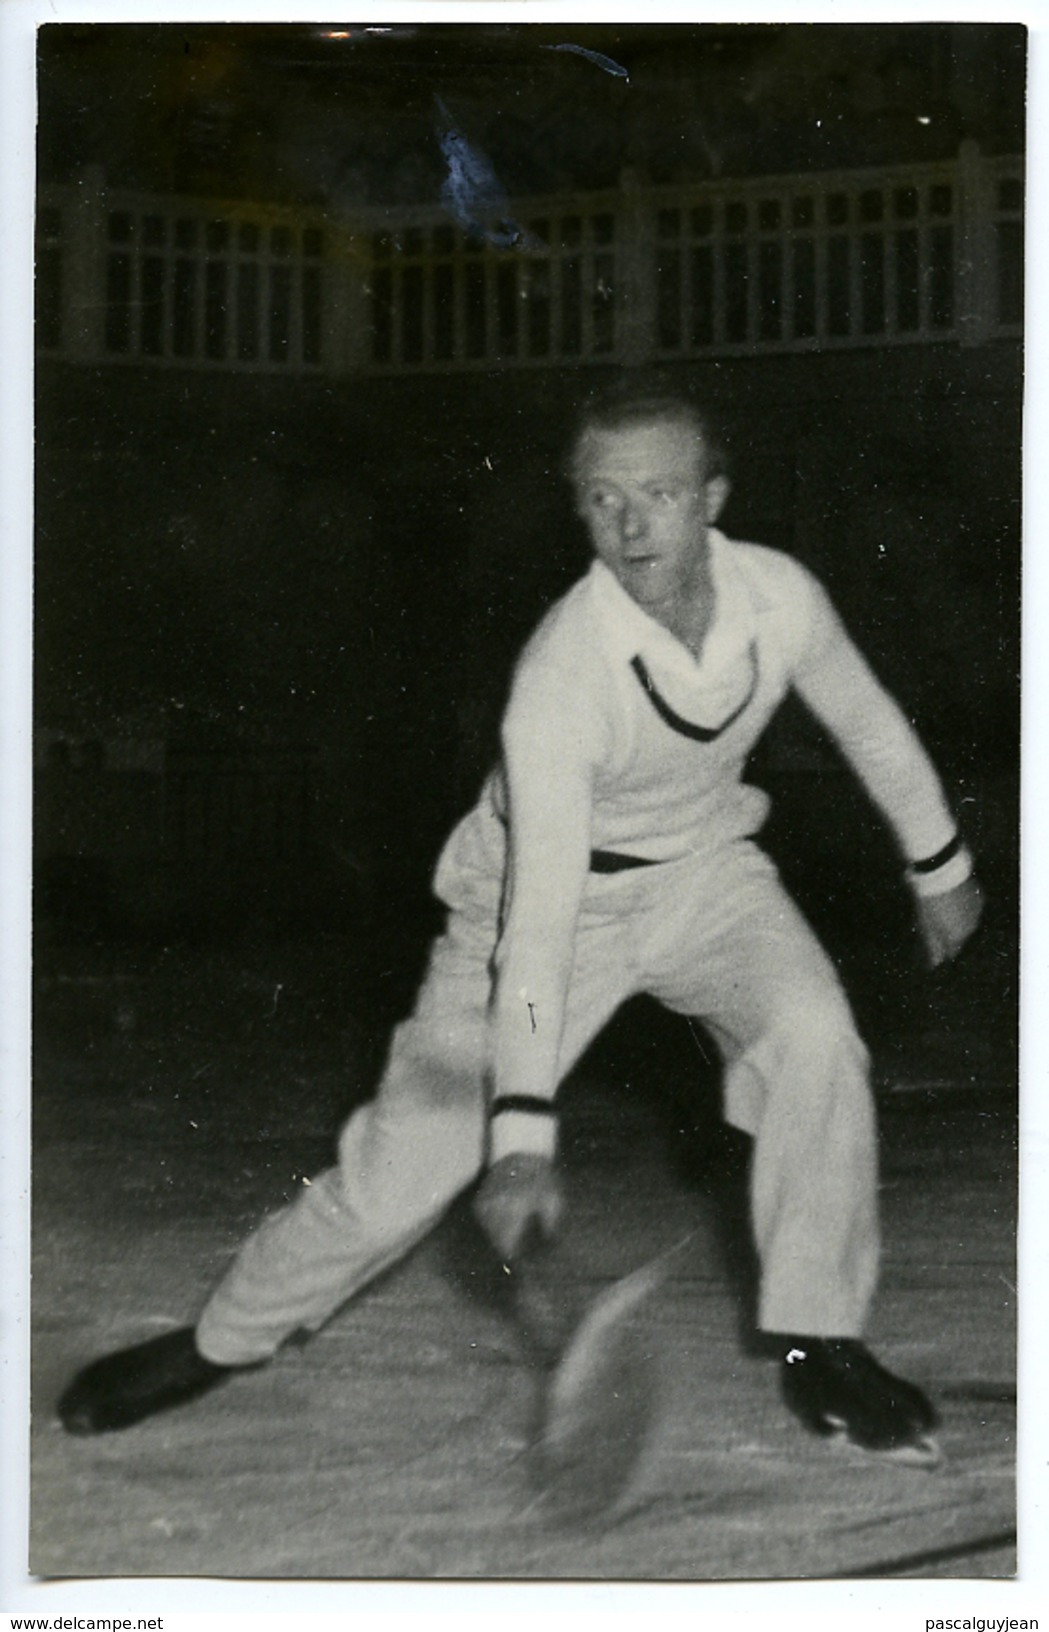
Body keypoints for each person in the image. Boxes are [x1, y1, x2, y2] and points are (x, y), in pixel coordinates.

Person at [59, 378, 984, 1457]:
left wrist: (938, 864)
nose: (632, 524)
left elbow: (867, 723)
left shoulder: (780, 598)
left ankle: (818, 1345)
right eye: (603, 499)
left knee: (815, 1039)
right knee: (407, 1164)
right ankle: (221, 1339)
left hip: (704, 876)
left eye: (660, 493)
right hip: (540, 910)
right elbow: (539, 914)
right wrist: (522, 1141)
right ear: (580, 511)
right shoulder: (562, 673)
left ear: (712, 498)